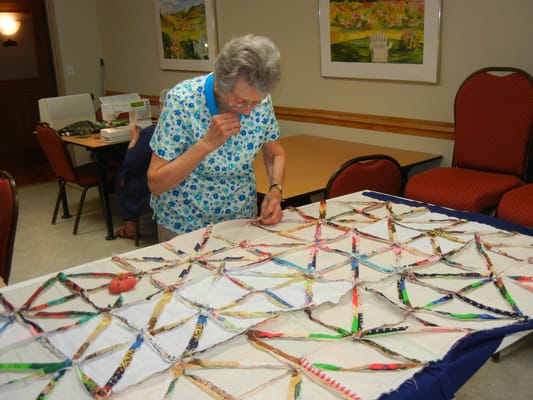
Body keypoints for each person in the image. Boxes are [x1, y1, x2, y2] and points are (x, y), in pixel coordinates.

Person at [147, 34, 286, 242]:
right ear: (220, 85)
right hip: (184, 226)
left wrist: (276, 190)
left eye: (255, 103)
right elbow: (155, 183)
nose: (248, 112)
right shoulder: (182, 102)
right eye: (240, 102)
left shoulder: (260, 101)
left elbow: (275, 153)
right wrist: (206, 144)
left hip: (240, 221)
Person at [115, 89, 169, 239]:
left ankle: (130, 228)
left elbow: (131, 162)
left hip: (156, 181)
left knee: (124, 174)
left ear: (160, 106)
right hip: (173, 177)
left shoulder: (151, 132)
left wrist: (133, 140)